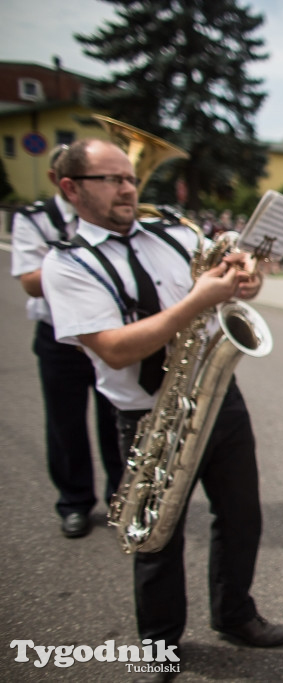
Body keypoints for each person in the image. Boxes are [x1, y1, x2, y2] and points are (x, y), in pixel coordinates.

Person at [40, 139, 283, 682]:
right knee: (157, 535)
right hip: (147, 414)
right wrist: (199, 299)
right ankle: (158, 644)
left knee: (242, 516)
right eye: (112, 179)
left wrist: (245, 280)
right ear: (71, 189)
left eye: (131, 177)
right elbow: (115, 347)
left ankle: (235, 613)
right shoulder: (66, 264)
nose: (129, 188)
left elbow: (230, 293)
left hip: (218, 398)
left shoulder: (175, 233)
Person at [10, 144, 121, 539]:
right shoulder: (36, 218)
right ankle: (74, 501)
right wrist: (79, 258)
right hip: (61, 337)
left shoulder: (119, 217)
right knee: (65, 423)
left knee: (116, 421)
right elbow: (29, 281)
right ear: (65, 183)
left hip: (113, 331)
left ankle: (119, 498)